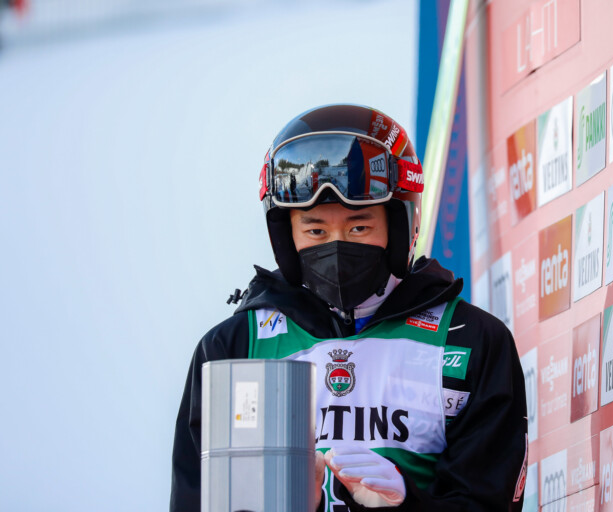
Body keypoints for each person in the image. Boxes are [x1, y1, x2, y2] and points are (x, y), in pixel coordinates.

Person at [170, 104, 528, 511]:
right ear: (286, 237)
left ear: (400, 227)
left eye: (358, 226)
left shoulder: (469, 343)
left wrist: (404, 505)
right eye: (315, 229)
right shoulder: (235, 350)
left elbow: (488, 503)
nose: (336, 245)